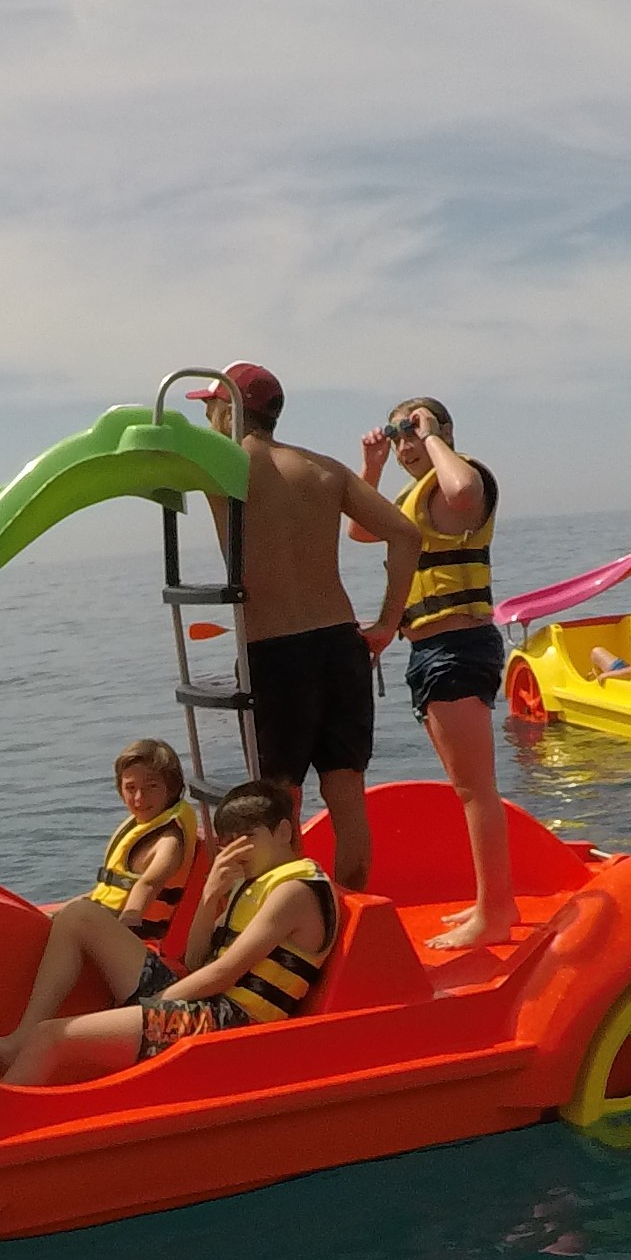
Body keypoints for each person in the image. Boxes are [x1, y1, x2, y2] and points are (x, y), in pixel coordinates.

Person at [0, 785, 336, 1085]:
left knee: (52, 1037)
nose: (236, 852)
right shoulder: (252, 883)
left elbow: (223, 973)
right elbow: (196, 961)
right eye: (228, 843)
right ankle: (15, 1044)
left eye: (248, 839)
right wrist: (209, 897)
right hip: (204, 1002)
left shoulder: (293, 892)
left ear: (283, 831)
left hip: (232, 1025)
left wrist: (154, 1005)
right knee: (80, 916)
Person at [202, 362, 419, 894]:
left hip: (272, 651)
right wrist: (387, 623)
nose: (207, 418)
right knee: (348, 799)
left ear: (229, 408)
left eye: (210, 407)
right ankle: (351, 913)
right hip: (340, 645)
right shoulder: (325, 469)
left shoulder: (219, 465)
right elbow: (406, 535)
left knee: (276, 808)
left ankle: (292, 921)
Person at [354, 397, 516, 950]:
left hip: (457, 648)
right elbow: (360, 530)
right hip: (430, 650)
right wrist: (372, 467)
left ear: (444, 432)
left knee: (475, 791)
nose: (406, 444)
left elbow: (464, 491)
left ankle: (495, 913)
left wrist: (431, 436)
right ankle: (492, 902)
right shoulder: (415, 497)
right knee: (468, 789)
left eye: (414, 431)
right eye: (398, 434)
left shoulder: (462, 481)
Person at [84, 739, 200, 945]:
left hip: (136, 939)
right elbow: (107, 892)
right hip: (105, 919)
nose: (139, 798)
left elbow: (149, 885)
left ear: (172, 788)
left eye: (151, 787)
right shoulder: (141, 827)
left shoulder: (169, 842)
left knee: (71, 920)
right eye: (130, 788)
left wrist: (124, 928)